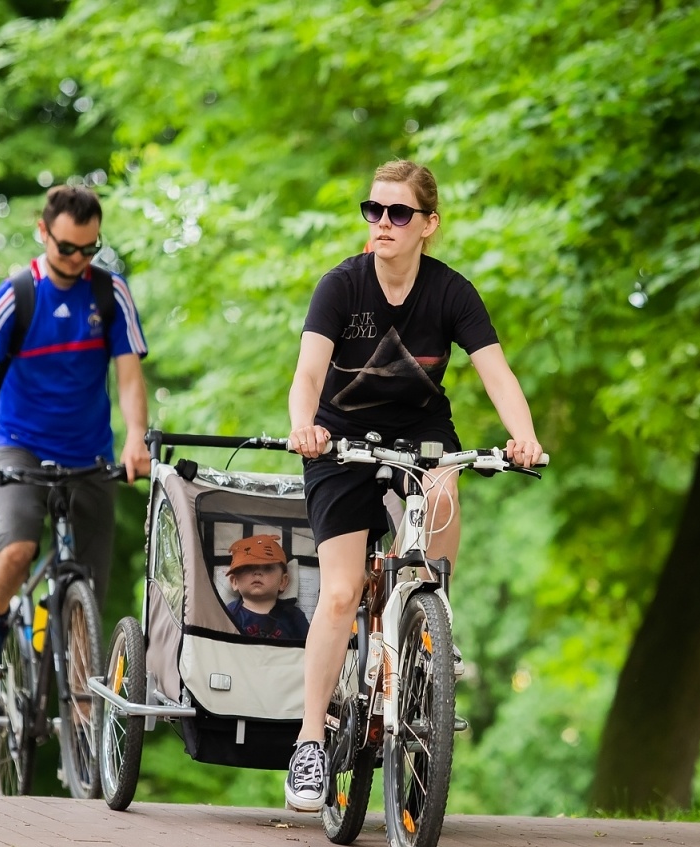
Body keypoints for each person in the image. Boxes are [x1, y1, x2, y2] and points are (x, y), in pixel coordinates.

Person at [285, 160, 542, 811]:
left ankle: (430, 627)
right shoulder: (341, 287)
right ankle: (310, 743)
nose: (383, 224)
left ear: (429, 224)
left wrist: (523, 435)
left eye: (398, 213)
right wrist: (303, 427)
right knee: (341, 592)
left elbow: (497, 375)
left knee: (447, 491)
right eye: (374, 210)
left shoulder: (451, 293)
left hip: (421, 436)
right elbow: (309, 375)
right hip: (340, 441)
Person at [0, 184, 150, 682]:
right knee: (19, 546)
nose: (77, 259)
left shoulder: (109, 292)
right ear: (43, 232)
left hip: (88, 454)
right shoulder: (18, 293)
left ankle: (81, 742)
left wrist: (135, 439)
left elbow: (129, 377)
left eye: (89, 249)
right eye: (66, 248)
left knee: (89, 599)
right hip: (19, 447)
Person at [223, 534, 309, 641]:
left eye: (267, 568)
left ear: (283, 581)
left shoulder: (294, 617)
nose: (257, 573)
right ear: (234, 582)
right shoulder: (228, 614)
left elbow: (309, 650)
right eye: (248, 568)